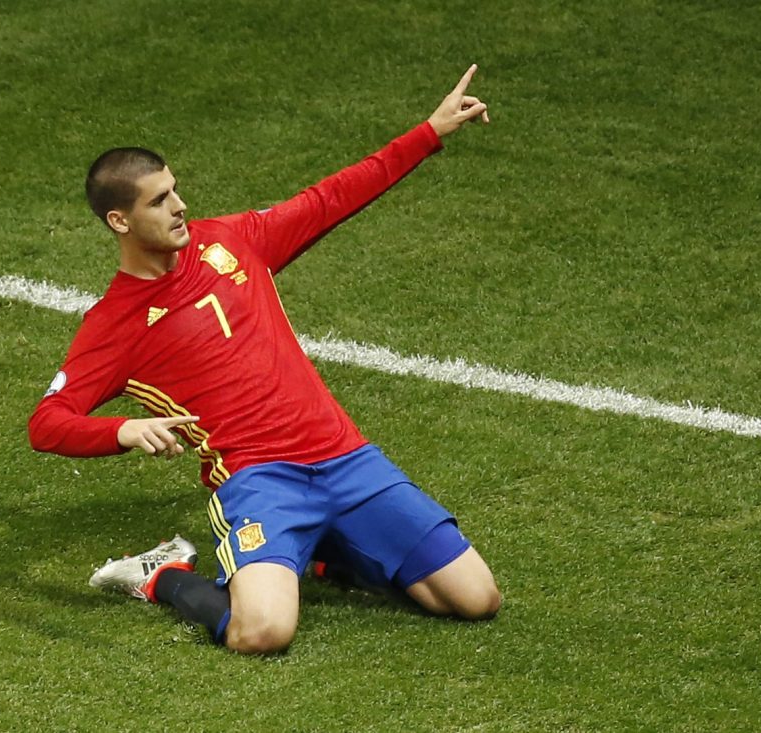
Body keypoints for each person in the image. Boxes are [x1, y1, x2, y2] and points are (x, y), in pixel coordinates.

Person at [28, 64, 501, 654]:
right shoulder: (115, 325)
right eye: (158, 200)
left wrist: (427, 132)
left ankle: (322, 552)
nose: (178, 206)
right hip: (258, 481)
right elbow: (47, 423)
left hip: (344, 457)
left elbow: (329, 198)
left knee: (474, 599)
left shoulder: (232, 240)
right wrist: (123, 428)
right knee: (262, 633)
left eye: (175, 189)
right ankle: (161, 573)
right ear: (119, 221)